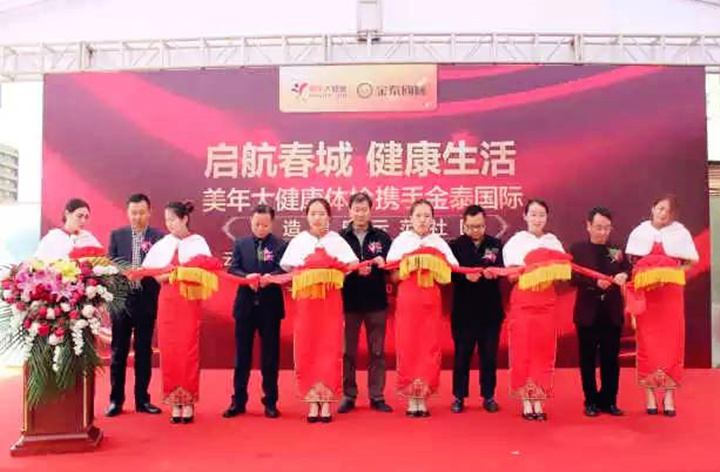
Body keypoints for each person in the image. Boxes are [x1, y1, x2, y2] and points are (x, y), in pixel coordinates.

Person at [279, 198, 358, 423]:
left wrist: (335, 271)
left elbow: (351, 265)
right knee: (308, 347)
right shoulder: (299, 241)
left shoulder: (336, 240)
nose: (317, 218)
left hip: (330, 302)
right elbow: (289, 269)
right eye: (313, 213)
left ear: (329, 216)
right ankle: (312, 401)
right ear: (307, 216)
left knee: (329, 347)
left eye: (322, 213)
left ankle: (327, 402)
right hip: (306, 303)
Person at [625, 195, 698, 417]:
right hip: (648, 295)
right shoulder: (640, 232)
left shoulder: (680, 233)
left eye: (668, 210)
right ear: (653, 208)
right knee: (647, 344)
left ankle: (669, 396)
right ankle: (649, 394)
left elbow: (689, 263)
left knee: (672, 344)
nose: (663, 213)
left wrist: (671, 274)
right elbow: (633, 264)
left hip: (670, 296)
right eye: (660, 208)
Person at [387, 199, 458, 418]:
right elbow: (393, 275)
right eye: (418, 215)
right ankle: (411, 398)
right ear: (410, 218)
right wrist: (410, 266)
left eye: (427, 216)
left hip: (431, 300)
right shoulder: (401, 241)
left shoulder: (438, 242)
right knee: (408, 345)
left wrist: (434, 267)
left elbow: (449, 276)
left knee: (429, 347)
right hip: (408, 300)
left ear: (433, 220)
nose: (422, 220)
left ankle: (424, 397)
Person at [142, 201, 212, 424]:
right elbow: (154, 274)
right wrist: (169, 274)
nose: (169, 224)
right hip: (168, 300)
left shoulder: (198, 242)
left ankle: (188, 401)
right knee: (169, 349)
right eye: (167, 220)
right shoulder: (164, 244)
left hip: (189, 300)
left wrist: (185, 273)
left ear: (184, 219)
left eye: (173, 219)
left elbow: (207, 273)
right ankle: (174, 402)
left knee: (188, 350)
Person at [502, 199, 566, 421]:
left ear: (547, 217)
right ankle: (525, 401)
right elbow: (511, 276)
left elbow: (561, 275)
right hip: (523, 301)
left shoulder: (553, 242)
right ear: (525, 216)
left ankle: (539, 399)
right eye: (533, 214)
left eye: (541, 215)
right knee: (522, 349)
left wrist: (550, 270)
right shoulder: (516, 242)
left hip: (546, 301)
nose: (537, 219)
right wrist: (532, 268)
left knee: (544, 350)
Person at [223, 205, 287, 419]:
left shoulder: (280, 245)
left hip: (270, 308)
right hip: (245, 307)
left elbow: (285, 269)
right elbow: (233, 268)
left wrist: (272, 277)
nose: (260, 228)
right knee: (242, 357)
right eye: (257, 224)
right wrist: (246, 277)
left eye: (265, 225)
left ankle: (270, 402)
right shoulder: (240, 244)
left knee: (270, 358)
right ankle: (238, 401)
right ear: (251, 222)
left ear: (272, 223)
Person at [106, 193, 165, 417]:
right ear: (127, 213)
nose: (137, 217)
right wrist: (125, 271)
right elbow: (109, 263)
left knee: (143, 352)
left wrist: (145, 272)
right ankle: (116, 401)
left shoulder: (159, 238)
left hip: (146, 300)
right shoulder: (117, 235)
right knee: (118, 352)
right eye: (133, 213)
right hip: (121, 301)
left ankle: (142, 400)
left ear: (149, 213)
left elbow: (163, 265)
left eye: (141, 212)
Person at [570, 207, 629, 417]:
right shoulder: (578, 249)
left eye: (606, 228)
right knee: (587, 360)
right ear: (588, 226)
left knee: (611, 360)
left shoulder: (616, 249)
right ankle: (590, 401)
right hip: (587, 313)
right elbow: (571, 277)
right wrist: (594, 283)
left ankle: (609, 401)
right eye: (598, 227)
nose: (602, 232)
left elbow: (628, 269)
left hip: (611, 312)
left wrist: (624, 275)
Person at [338, 192, 393, 414]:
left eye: (364, 210)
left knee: (377, 352)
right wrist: (353, 270)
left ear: (371, 211)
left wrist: (384, 263)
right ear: (349, 211)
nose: (360, 214)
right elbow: (334, 268)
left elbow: (393, 269)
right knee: (347, 352)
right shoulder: (339, 238)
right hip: (349, 303)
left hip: (376, 303)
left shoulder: (382, 237)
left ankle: (377, 395)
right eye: (356, 210)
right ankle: (348, 395)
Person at [449, 205, 504, 414]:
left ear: (485, 223)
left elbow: (503, 268)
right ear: (464, 225)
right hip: (464, 312)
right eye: (471, 227)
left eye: (479, 226)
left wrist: (494, 273)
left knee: (489, 357)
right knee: (461, 356)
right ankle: (459, 397)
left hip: (490, 312)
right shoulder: (455, 246)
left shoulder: (495, 244)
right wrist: (464, 276)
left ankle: (488, 396)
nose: (475, 230)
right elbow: (447, 273)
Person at [35, 198, 102, 261]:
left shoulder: (88, 236)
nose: (83, 221)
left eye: (86, 217)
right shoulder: (52, 238)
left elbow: (101, 260)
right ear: (67, 214)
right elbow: (39, 262)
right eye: (79, 216)